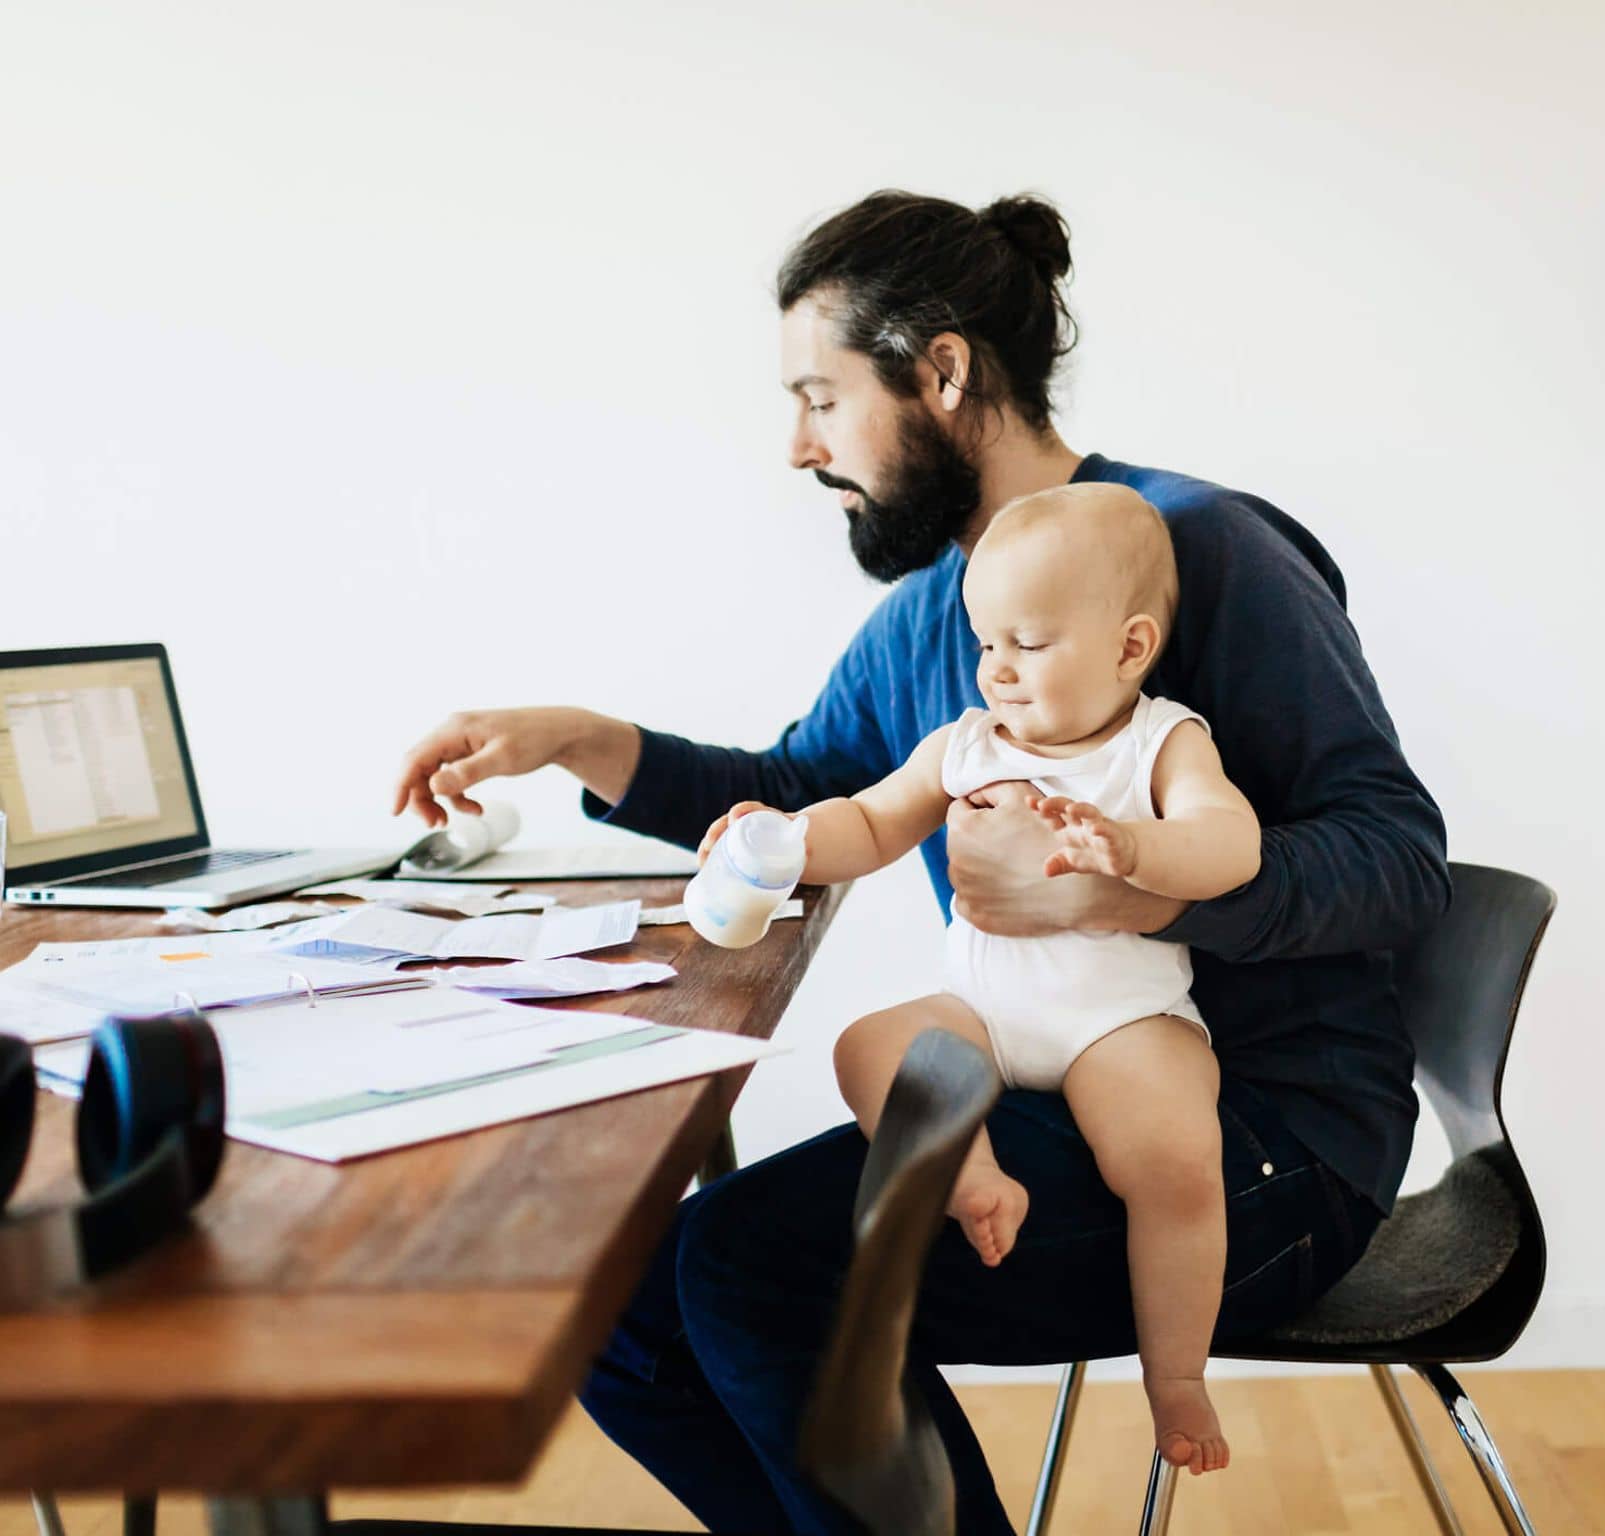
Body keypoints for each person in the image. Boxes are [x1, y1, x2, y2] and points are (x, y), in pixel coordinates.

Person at [391, 188, 1450, 1535]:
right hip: (1036, 1097)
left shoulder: (1197, 553)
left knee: (752, 1270)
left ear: (941, 373)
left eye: (819, 398)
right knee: (626, 1307)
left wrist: (1138, 887)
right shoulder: (926, 624)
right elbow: (802, 792)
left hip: (1255, 1146)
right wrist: (585, 743)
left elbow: (1397, 859)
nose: (796, 446)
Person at [701, 482, 1258, 1475]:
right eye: (985, 642)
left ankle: (1176, 1375)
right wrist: (783, 838)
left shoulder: (1159, 742)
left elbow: (1229, 843)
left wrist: (1131, 847)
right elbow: (868, 822)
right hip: (986, 1012)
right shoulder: (963, 746)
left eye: (1029, 645)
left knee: (1173, 1162)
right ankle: (971, 1179)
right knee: (868, 1047)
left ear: (1130, 649)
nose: (996, 669)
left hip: (1119, 1020)